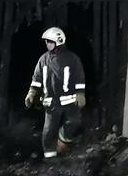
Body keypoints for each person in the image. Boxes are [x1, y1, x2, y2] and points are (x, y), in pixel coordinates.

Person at [24, 27, 87, 160]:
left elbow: (79, 76)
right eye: (46, 41)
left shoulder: (71, 58)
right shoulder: (43, 59)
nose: (47, 44)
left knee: (74, 122)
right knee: (48, 131)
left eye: (49, 41)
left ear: (59, 41)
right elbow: (37, 78)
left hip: (68, 99)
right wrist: (31, 93)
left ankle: (63, 140)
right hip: (51, 102)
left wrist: (80, 93)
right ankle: (50, 158)